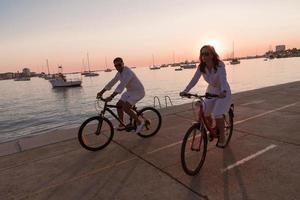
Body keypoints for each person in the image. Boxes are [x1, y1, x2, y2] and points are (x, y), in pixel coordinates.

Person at [180, 45, 232, 147]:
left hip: (222, 92)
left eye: (206, 53)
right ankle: (212, 128)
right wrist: (185, 91)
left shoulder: (220, 65)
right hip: (211, 91)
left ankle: (222, 137)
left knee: (217, 113)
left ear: (212, 55)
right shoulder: (201, 67)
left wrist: (224, 91)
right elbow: (194, 80)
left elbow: (223, 79)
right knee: (205, 112)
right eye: (202, 54)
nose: (204, 56)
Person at [97, 57, 146, 133]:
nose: (117, 67)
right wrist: (101, 92)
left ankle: (140, 122)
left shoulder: (128, 72)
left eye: (119, 65)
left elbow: (122, 85)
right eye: (115, 66)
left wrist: (111, 96)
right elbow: (112, 82)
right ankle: (121, 124)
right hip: (130, 92)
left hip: (138, 92)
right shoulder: (119, 73)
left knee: (126, 108)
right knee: (119, 105)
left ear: (123, 64)